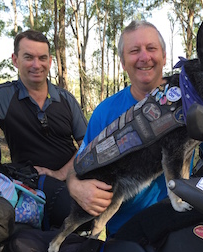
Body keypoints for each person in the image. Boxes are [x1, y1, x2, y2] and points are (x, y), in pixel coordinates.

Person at [0, 29, 96, 230]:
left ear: (49, 62)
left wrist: (60, 173)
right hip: (29, 182)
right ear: (15, 60)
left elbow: (87, 143)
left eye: (42, 58)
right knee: (73, 209)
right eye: (28, 57)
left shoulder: (65, 99)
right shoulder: (5, 97)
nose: (36, 65)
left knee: (92, 207)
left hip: (72, 175)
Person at [67, 20, 168, 234]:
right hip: (124, 232)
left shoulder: (188, 104)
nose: (144, 57)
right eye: (134, 51)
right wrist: (75, 186)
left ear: (164, 56)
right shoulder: (106, 112)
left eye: (151, 48)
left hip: (179, 227)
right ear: (123, 62)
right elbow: (80, 164)